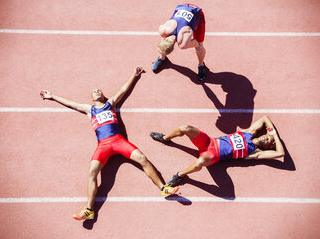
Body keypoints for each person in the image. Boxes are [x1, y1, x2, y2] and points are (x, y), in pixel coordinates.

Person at [40, 67, 179, 221]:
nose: (98, 91)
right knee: (92, 172)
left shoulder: (110, 103)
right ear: (92, 98)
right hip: (103, 146)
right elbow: (71, 103)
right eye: (95, 92)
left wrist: (134, 75)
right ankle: (89, 210)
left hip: (119, 141)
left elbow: (123, 90)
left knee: (143, 159)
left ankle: (163, 188)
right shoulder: (89, 109)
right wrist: (52, 96)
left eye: (99, 90)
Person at [150, 116, 284, 187]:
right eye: (268, 135)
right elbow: (265, 118)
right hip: (209, 141)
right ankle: (165, 138)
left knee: (200, 162)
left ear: (267, 146)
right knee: (185, 128)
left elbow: (280, 153)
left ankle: (179, 175)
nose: (267, 137)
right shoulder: (249, 132)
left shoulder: (255, 153)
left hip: (213, 156)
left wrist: (275, 137)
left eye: (269, 140)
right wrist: (272, 131)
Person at [151, 3, 209, 82]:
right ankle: (162, 58)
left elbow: (196, 43)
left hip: (197, 13)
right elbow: (161, 27)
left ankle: (201, 65)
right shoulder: (163, 30)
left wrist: (196, 47)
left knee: (199, 48)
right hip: (182, 7)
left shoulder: (183, 43)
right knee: (163, 36)